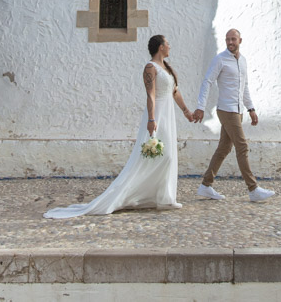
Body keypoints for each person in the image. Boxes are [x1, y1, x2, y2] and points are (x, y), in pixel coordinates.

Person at [43, 35, 194, 218]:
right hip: (158, 114)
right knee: (156, 156)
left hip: (168, 115)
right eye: (167, 43)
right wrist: (152, 119)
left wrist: (186, 111)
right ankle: (127, 194)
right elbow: (151, 95)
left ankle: (164, 197)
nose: (170, 46)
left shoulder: (167, 69)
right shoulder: (150, 68)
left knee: (168, 156)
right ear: (160, 47)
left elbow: (175, 92)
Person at [193, 29, 275, 202]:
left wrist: (251, 109)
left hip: (237, 111)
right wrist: (201, 106)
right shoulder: (220, 59)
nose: (230, 42)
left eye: (233, 39)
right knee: (242, 146)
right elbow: (207, 81)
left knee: (224, 148)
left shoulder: (243, 61)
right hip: (226, 109)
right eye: (227, 39)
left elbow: (244, 87)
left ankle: (205, 186)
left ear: (240, 40)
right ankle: (253, 189)